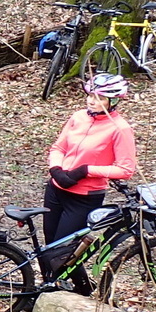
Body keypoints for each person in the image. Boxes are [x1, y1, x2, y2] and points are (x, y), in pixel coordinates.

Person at [43, 73, 136, 248]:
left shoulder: (120, 129)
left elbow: (125, 170)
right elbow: (59, 148)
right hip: (56, 190)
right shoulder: (78, 117)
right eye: (90, 95)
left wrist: (85, 170)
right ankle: (48, 277)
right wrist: (56, 169)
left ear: (113, 101)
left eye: (100, 98)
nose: (92, 101)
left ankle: (79, 277)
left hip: (84, 198)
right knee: (49, 247)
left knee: (63, 250)